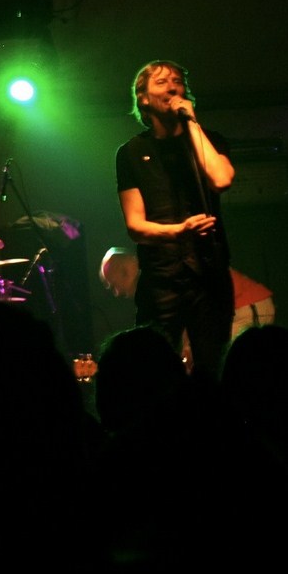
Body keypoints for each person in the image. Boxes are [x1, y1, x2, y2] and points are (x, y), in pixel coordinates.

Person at [115, 60, 236, 380]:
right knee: (155, 370)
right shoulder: (131, 152)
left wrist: (192, 124)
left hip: (209, 275)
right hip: (161, 278)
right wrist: (179, 231)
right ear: (143, 98)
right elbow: (135, 226)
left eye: (177, 81)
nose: (172, 87)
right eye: (162, 82)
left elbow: (221, 179)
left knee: (213, 368)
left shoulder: (210, 140)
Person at [100, 246, 274, 341]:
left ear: (124, 271)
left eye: (113, 285)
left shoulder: (158, 272)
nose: (116, 293)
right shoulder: (152, 279)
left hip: (244, 305)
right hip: (231, 310)